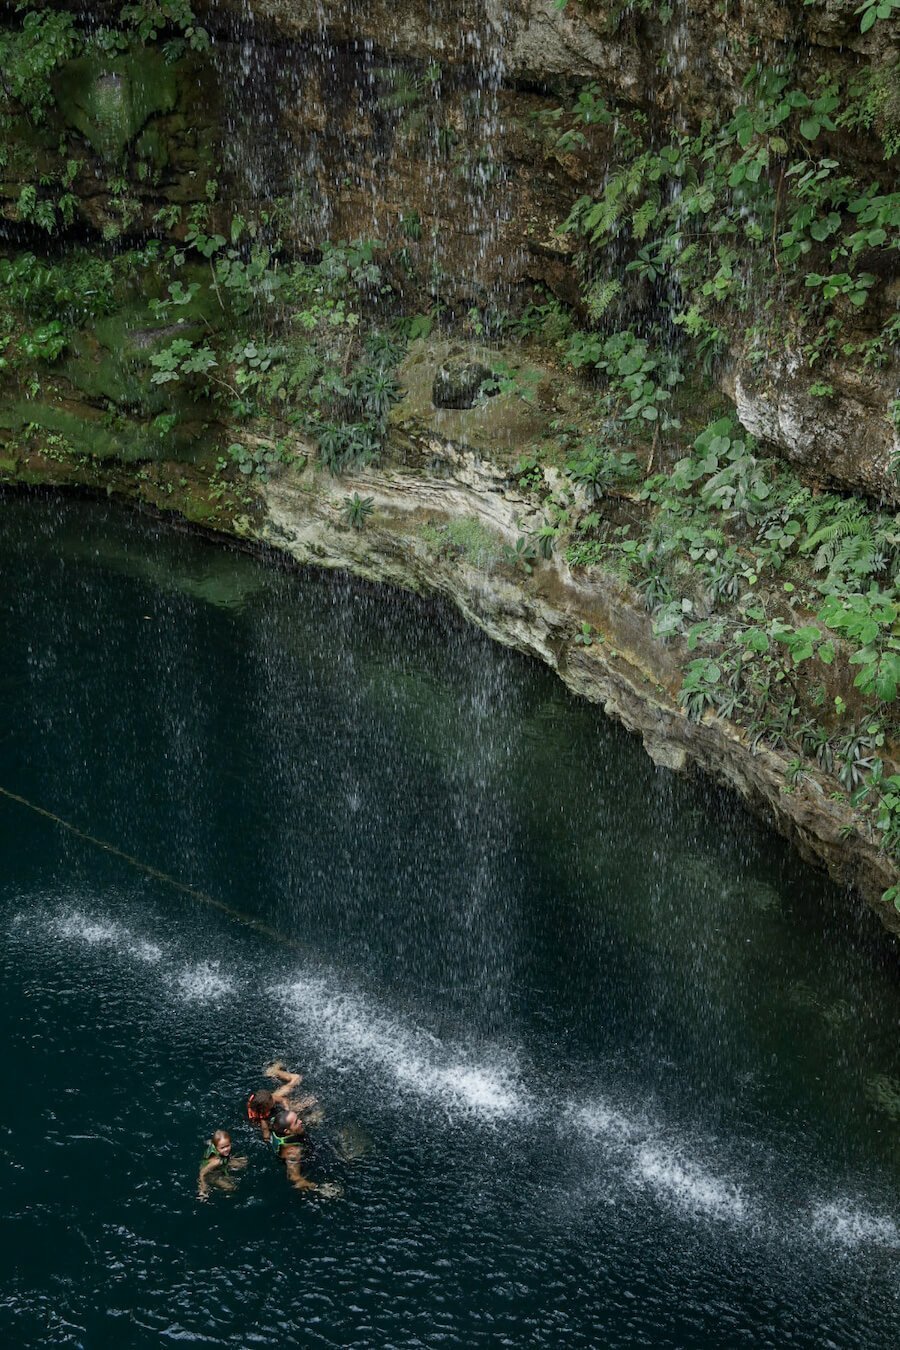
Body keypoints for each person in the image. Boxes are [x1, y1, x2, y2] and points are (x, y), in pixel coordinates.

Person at [270, 1107, 338, 1197]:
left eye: (297, 1118)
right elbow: (294, 1177)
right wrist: (317, 1188)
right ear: (287, 1131)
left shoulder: (275, 1122)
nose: (300, 1121)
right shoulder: (293, 1152)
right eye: (296, 1122)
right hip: (304, 1162)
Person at [247, 1061, 319, 1141]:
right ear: (266, 1108)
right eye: (272, 1103)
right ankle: (273, 1071)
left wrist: (288, 1110)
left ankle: (273, 1071)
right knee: (296, 1111)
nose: (274, 1102)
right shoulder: (263, 1120)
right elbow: (266, 1135)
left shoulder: (267, 1099)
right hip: (269, 1119)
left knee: (297, 1078)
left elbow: (283, 1100)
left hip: (267, 1107)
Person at [197, 1129, 247, 1201]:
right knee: (231, 1187)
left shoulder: (214, 1145)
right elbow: (202, 1173)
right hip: (212, 1176)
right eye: (222, 1148)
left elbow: (212, 1142)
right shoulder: (216, 1162)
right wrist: (202, 1187)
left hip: (222, 1161)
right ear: (216, 1147)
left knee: (244, 1162)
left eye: (227, 1146)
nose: (226, 1149)